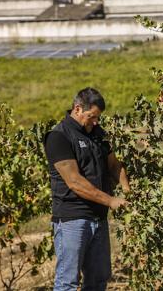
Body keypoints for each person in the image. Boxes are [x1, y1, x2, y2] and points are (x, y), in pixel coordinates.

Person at [44, 87, 130, 291]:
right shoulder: (59, 137)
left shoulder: (98, 134)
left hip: (98, 219)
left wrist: (127, 191)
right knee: (67, 282)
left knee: (98, 281)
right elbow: (74, 181)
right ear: (77, 109)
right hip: (73, 219)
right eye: (92, 117)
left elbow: (114, 165)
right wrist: (111, 201)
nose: (96, 122)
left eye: (98, 117)